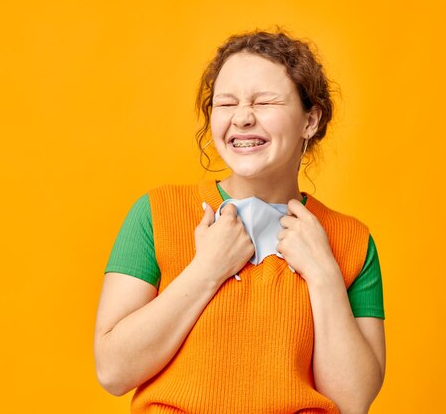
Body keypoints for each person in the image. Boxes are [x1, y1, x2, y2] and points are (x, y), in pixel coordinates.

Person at [94, 27, 386, 414]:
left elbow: (353, 401)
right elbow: (113, 371)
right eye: (226, 103)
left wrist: (323, 274)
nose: (243, 118)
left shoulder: (352, 240)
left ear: (310, 120)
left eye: (265, 102)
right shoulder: (156, 212)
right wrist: (207, 270)